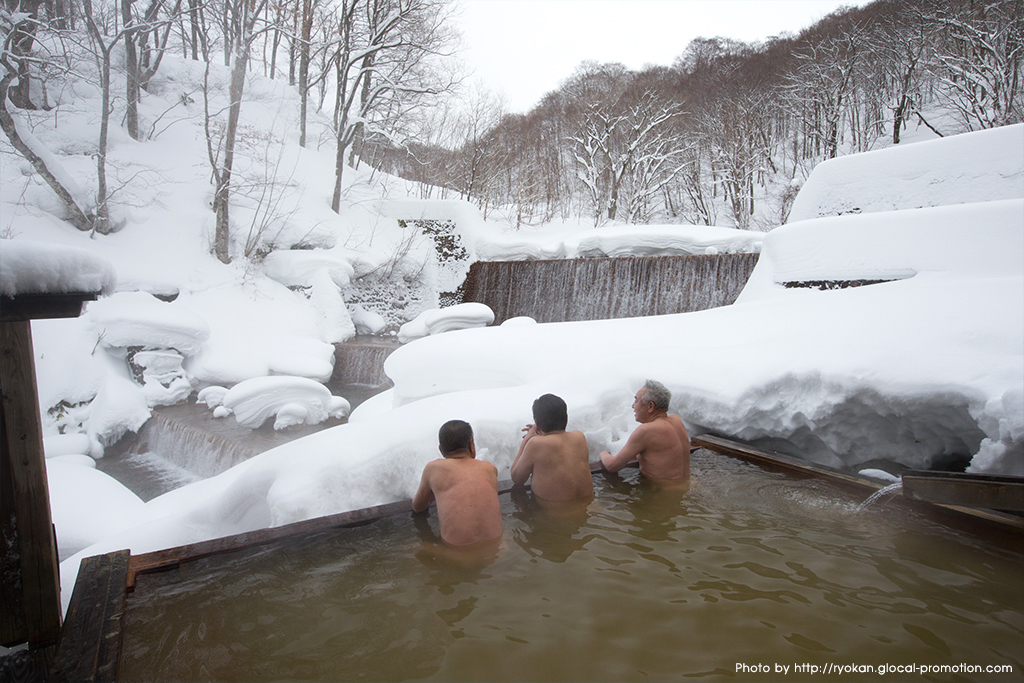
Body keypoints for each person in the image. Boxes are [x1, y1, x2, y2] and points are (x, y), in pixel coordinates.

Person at [412, 420, 503, 546]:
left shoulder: (433, 469)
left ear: (441, 450)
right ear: (471, 444)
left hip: (456, 553)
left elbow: (418, 507)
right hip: (497, 548)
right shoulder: (489, 468)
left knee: (414, 546)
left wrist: (435, 491)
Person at [599, 380, 690, 482]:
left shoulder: (647, 431)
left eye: (636, 401)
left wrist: (603, 453)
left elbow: (612, 466)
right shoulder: (676, 420)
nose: (633, 406)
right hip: (689, 486)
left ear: (650, 406)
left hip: (663, 493)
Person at [510, 393, 593, 501]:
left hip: (554, 515)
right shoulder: (579, 437)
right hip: (586, 508)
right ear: (566, 419)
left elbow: (516, 478)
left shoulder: (535, 444)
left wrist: (526, 440)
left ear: (537, 424)